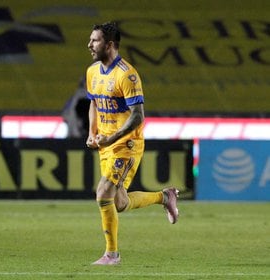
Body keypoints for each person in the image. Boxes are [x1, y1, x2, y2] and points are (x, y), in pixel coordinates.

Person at [85, 22, 179, 265]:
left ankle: (112, 255)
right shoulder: (92, 72)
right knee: (119, 202)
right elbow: (94, 103)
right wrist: (92, 132)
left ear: (110, 44)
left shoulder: (127, 74)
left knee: (103, 192)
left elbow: (138, 116)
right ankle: (165, 196)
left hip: (127, 145)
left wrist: (113, 138)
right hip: (105, 144)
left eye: (94, 40)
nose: (89, 45)